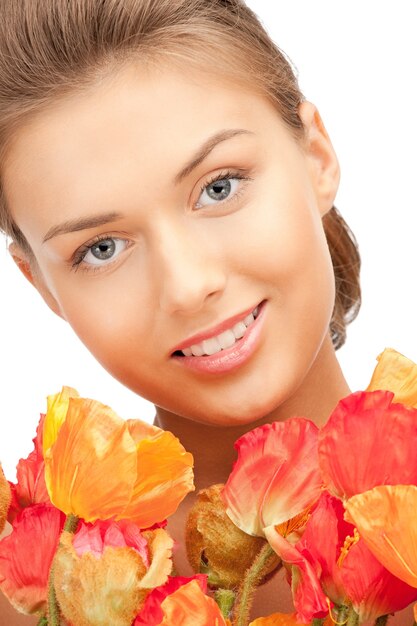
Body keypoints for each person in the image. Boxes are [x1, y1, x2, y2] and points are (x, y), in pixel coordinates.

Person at [0, 1, 412, 623]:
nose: (189, 286)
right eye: (101, 249)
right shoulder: (29, 594)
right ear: (43, 288)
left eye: (219, 187)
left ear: (317, 157)